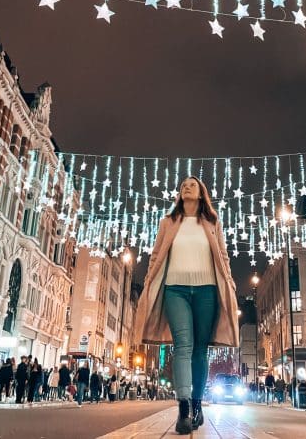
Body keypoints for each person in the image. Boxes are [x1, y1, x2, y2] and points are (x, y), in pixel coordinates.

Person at [134, 176, 239, 435]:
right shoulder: (167, 223)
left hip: (207, 291)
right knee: (183, 345)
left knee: (199, 351)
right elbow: (157, 255)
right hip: (175, 289)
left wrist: (230, 283)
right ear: (179, 195)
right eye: (183, 186)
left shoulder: (213, 223)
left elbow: (223, 256)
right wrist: (149, 280)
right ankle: (183, 408)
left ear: (201, 194)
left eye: (192, 184)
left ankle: (197, 405)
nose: (186, 187)